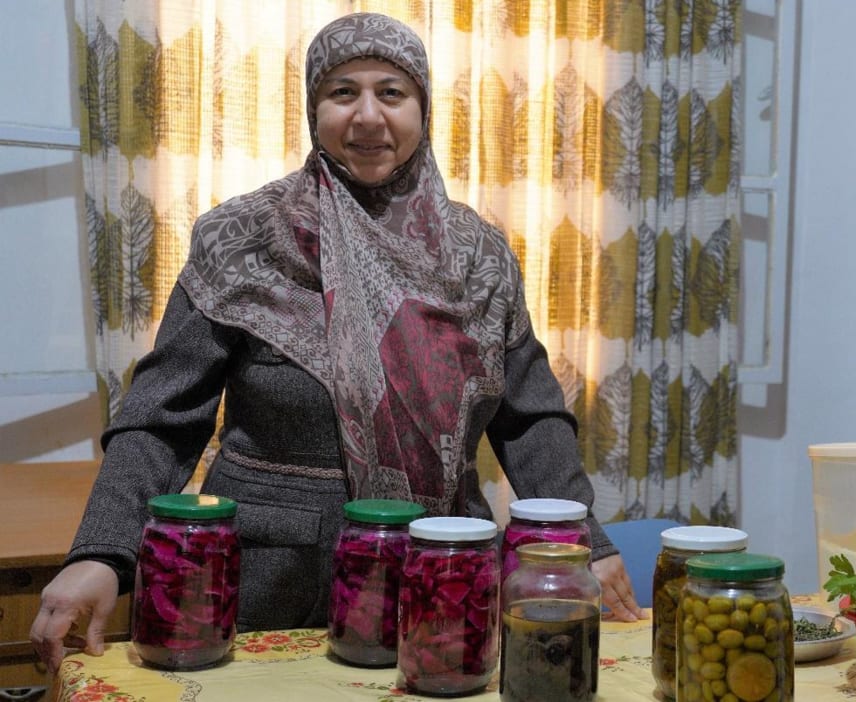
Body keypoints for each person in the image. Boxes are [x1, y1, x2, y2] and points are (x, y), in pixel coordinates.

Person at [30, 11, 644, 673]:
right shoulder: (242, 239)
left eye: (392, 92)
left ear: (423, 108)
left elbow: (530, 421)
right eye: (343, 92)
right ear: (313, 108)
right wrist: (102, 553)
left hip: (438, 581)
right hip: (274, 588)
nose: (369, 116)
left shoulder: (479, 256)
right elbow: (160, 419)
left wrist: (584, 540)